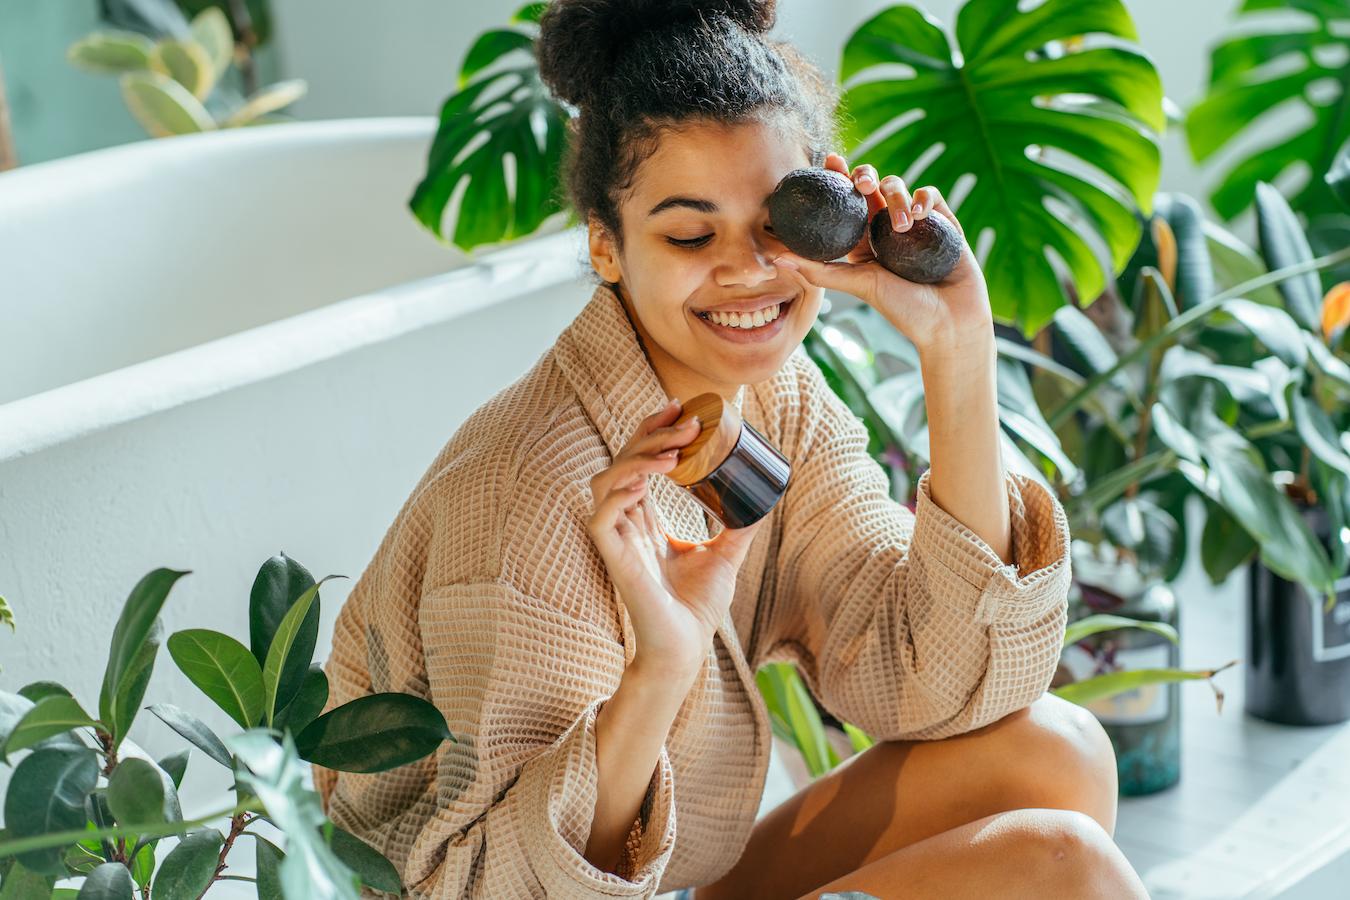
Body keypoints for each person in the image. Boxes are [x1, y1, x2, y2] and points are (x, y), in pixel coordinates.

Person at [312, 1, 1151, 898]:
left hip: (674, 880)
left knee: (1058, 755)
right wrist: (660, 669)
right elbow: (477, 887)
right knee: (1069, 871)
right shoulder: (529, 501)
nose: (748, 270)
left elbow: (941, 678)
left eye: (777, 224)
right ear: (606, 245)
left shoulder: (778, 401)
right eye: (688, 234)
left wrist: (958, 348)